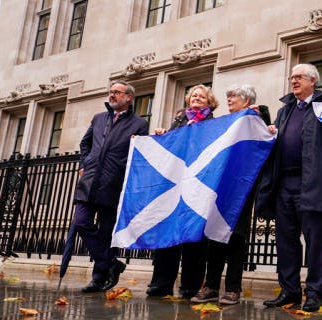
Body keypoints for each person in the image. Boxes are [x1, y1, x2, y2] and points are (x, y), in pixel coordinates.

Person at [256, 64, 322, 312]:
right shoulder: (285, 111)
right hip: (284, 184)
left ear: (312, 82)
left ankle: (316, 293)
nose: (294, 81)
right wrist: (269, 127)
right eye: (292, 77)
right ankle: (289, 291)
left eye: (299, 77)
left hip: (313, 184)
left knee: (316, 242)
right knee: (286, 241)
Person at [190, 84, 271, 305]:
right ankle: (211, 286)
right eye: (228, 96)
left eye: (233, 96)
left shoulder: (254, 118)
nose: (229, 99)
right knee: (214, 236)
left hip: (242, 188)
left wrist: (261, 113)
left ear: (246, 100)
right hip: (219, 188)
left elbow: (265, 132)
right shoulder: (224, 123)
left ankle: (233, 288)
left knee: (236, 237)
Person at [74, 80, 149, 293]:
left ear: (128, 97)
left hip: (113, 184)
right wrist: (84, 164)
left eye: (117, 92)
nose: (112, 95)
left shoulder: (139, 124)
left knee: (106, 232)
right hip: (89, 181)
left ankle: (98, 278)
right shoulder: (98, 119)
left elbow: (140, 154)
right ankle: (111, 262)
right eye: (111, 91)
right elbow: (85, 143)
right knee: (81, 221)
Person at [146, 84, 219, 298]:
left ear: (209, 102)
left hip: (197, 186)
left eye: (202, 97)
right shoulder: (179, 120)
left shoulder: (214, 123)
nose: (196, 98)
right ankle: (161, 283)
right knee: (168, 232)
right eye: (193, 95)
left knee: (194, 236)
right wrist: (163, 134)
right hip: (174, 185)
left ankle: (190, 285)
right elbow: (169, 147)